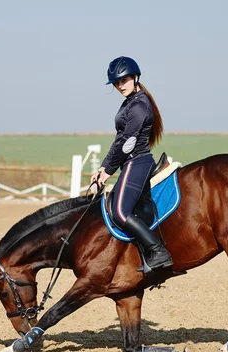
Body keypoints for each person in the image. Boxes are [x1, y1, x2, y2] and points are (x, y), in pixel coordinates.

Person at [91, 56, 173, 273]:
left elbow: (127, 145)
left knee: (119, 212)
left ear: (135, 77)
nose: (120, 86)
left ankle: (158, 252)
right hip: (128, 163)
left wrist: (108, 171)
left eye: (124, 80)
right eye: (116, 83)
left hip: (137, 162)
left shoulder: (139, 105)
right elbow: (118, 140)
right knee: (110, 209)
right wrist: (103, 167)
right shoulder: (129, 102)